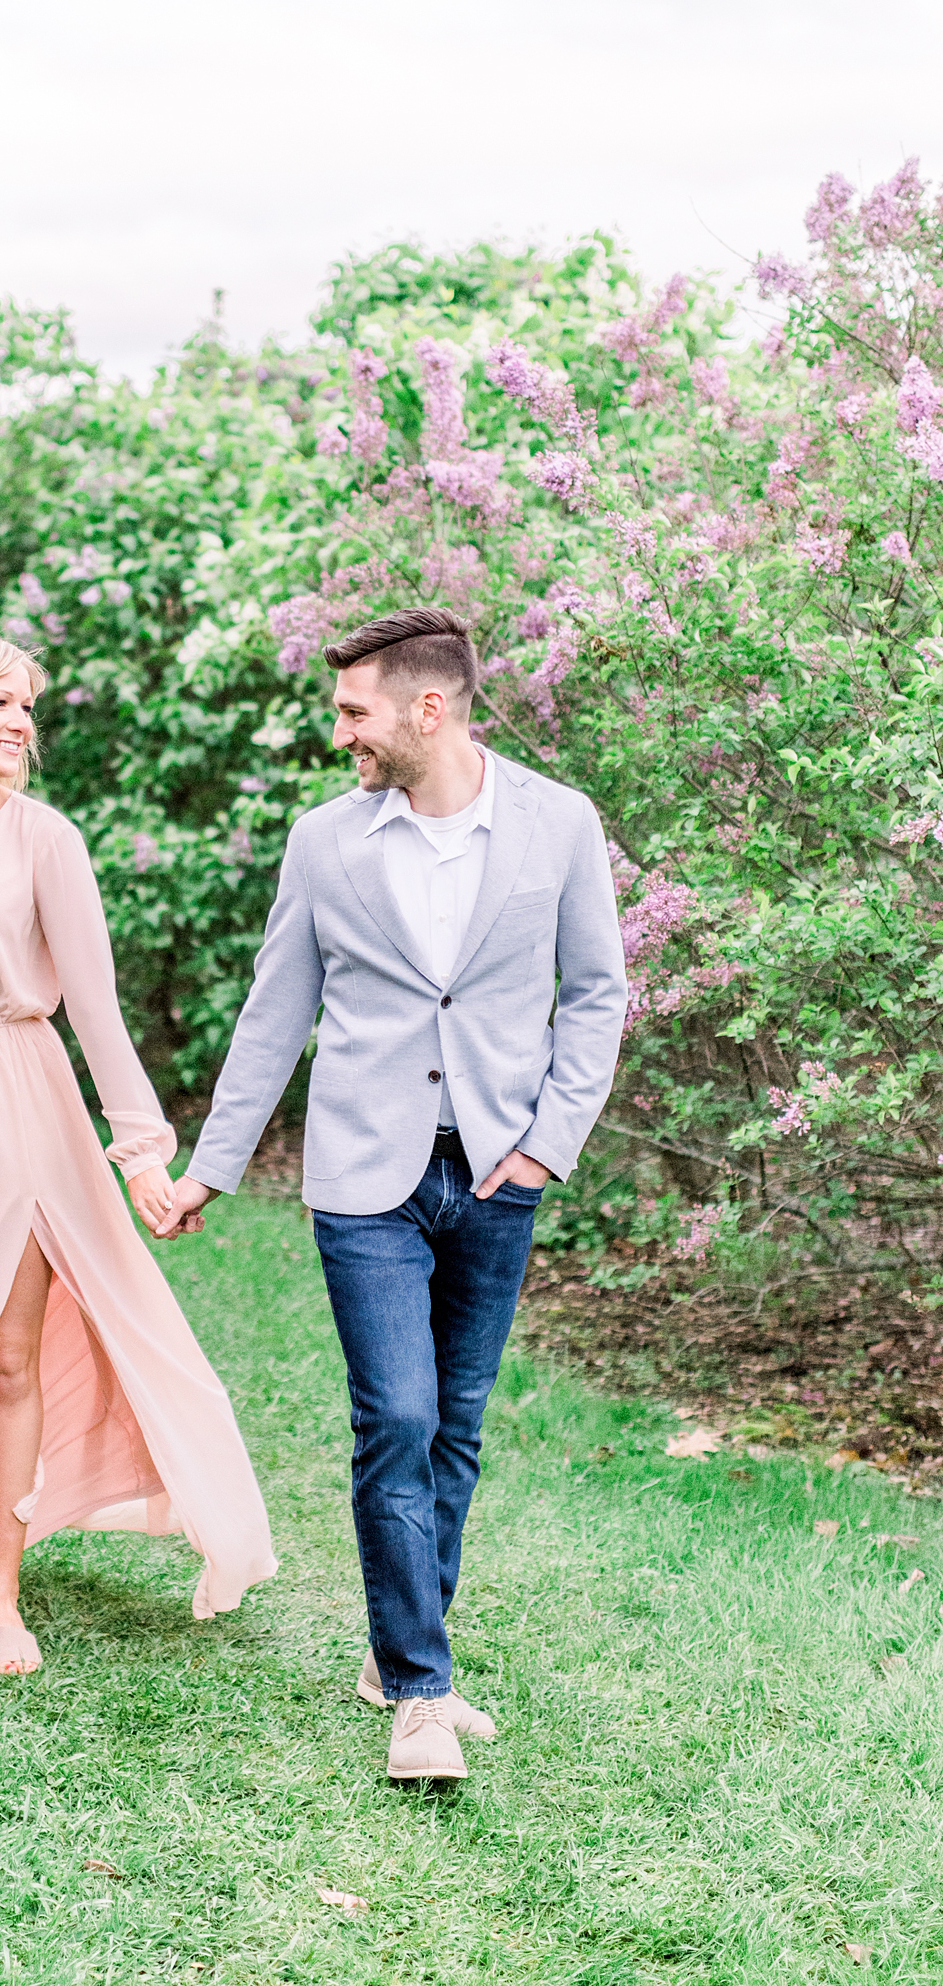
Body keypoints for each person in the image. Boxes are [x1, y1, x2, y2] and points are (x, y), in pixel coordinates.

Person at [158, 607, 626, 1780]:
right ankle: (422, 1695)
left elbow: (597, 995)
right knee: (399, 1420)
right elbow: (276, 1012)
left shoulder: (558, 824)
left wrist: (545, 1145)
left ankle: (397, 1647)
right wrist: (211, 1166)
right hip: (366, 1178)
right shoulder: (326, 843)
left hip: (500, 1170)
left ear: (431, 708)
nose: (341, 734)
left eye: (354, 711)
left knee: (456, 1428)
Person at [0, 625, 276, 1677]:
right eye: (0, 703)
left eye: (28, 706)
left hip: (20, 1100)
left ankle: (1, 1595)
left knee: (7, 1356)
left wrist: (140, 1154)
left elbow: (95, 1004)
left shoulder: (48, 841)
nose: (22, 724)